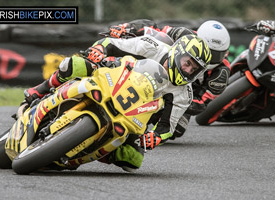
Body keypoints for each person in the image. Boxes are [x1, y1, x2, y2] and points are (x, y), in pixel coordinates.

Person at [24, 33, 211, 172]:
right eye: (187, 63)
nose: (188, 70)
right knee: (75, 64)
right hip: (111, 78)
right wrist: (99, 51)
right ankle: (39, 91)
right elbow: (111, 43)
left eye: (194, 69)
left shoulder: (184, 94)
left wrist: (155, 138)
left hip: (132, 116)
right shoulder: (152, 46)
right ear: (177, 52)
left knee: (133, 160)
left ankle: (87, 150)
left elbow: (167, 127)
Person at [107, 19, 231, 140]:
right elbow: (153, 28)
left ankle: (142, 122)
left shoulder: (220, 75)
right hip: (159, 67)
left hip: (180, 92)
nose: (206, 56)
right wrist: (127, 27)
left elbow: (201, 104)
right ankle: (113, 66)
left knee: (178, 129)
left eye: (215, 54)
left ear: (225, 53)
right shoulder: (184, 35)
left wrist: (168, 99)